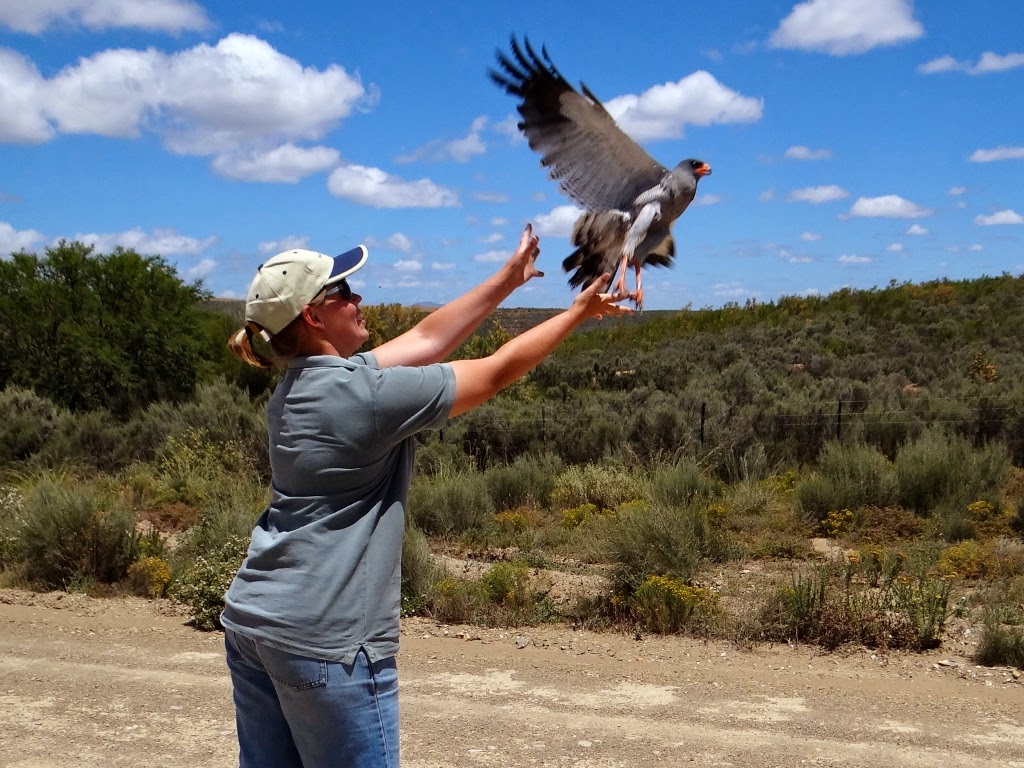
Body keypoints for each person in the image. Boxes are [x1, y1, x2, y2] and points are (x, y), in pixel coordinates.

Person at [221, 224, 629, 768]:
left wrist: (507, 280)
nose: (358, 298)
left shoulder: (298, 387)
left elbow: (426, 339)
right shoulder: (364, 397)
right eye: (343, 291)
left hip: (254, 621)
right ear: (313, 316)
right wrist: (576, 313)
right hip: (328, 638)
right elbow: (494, 371)